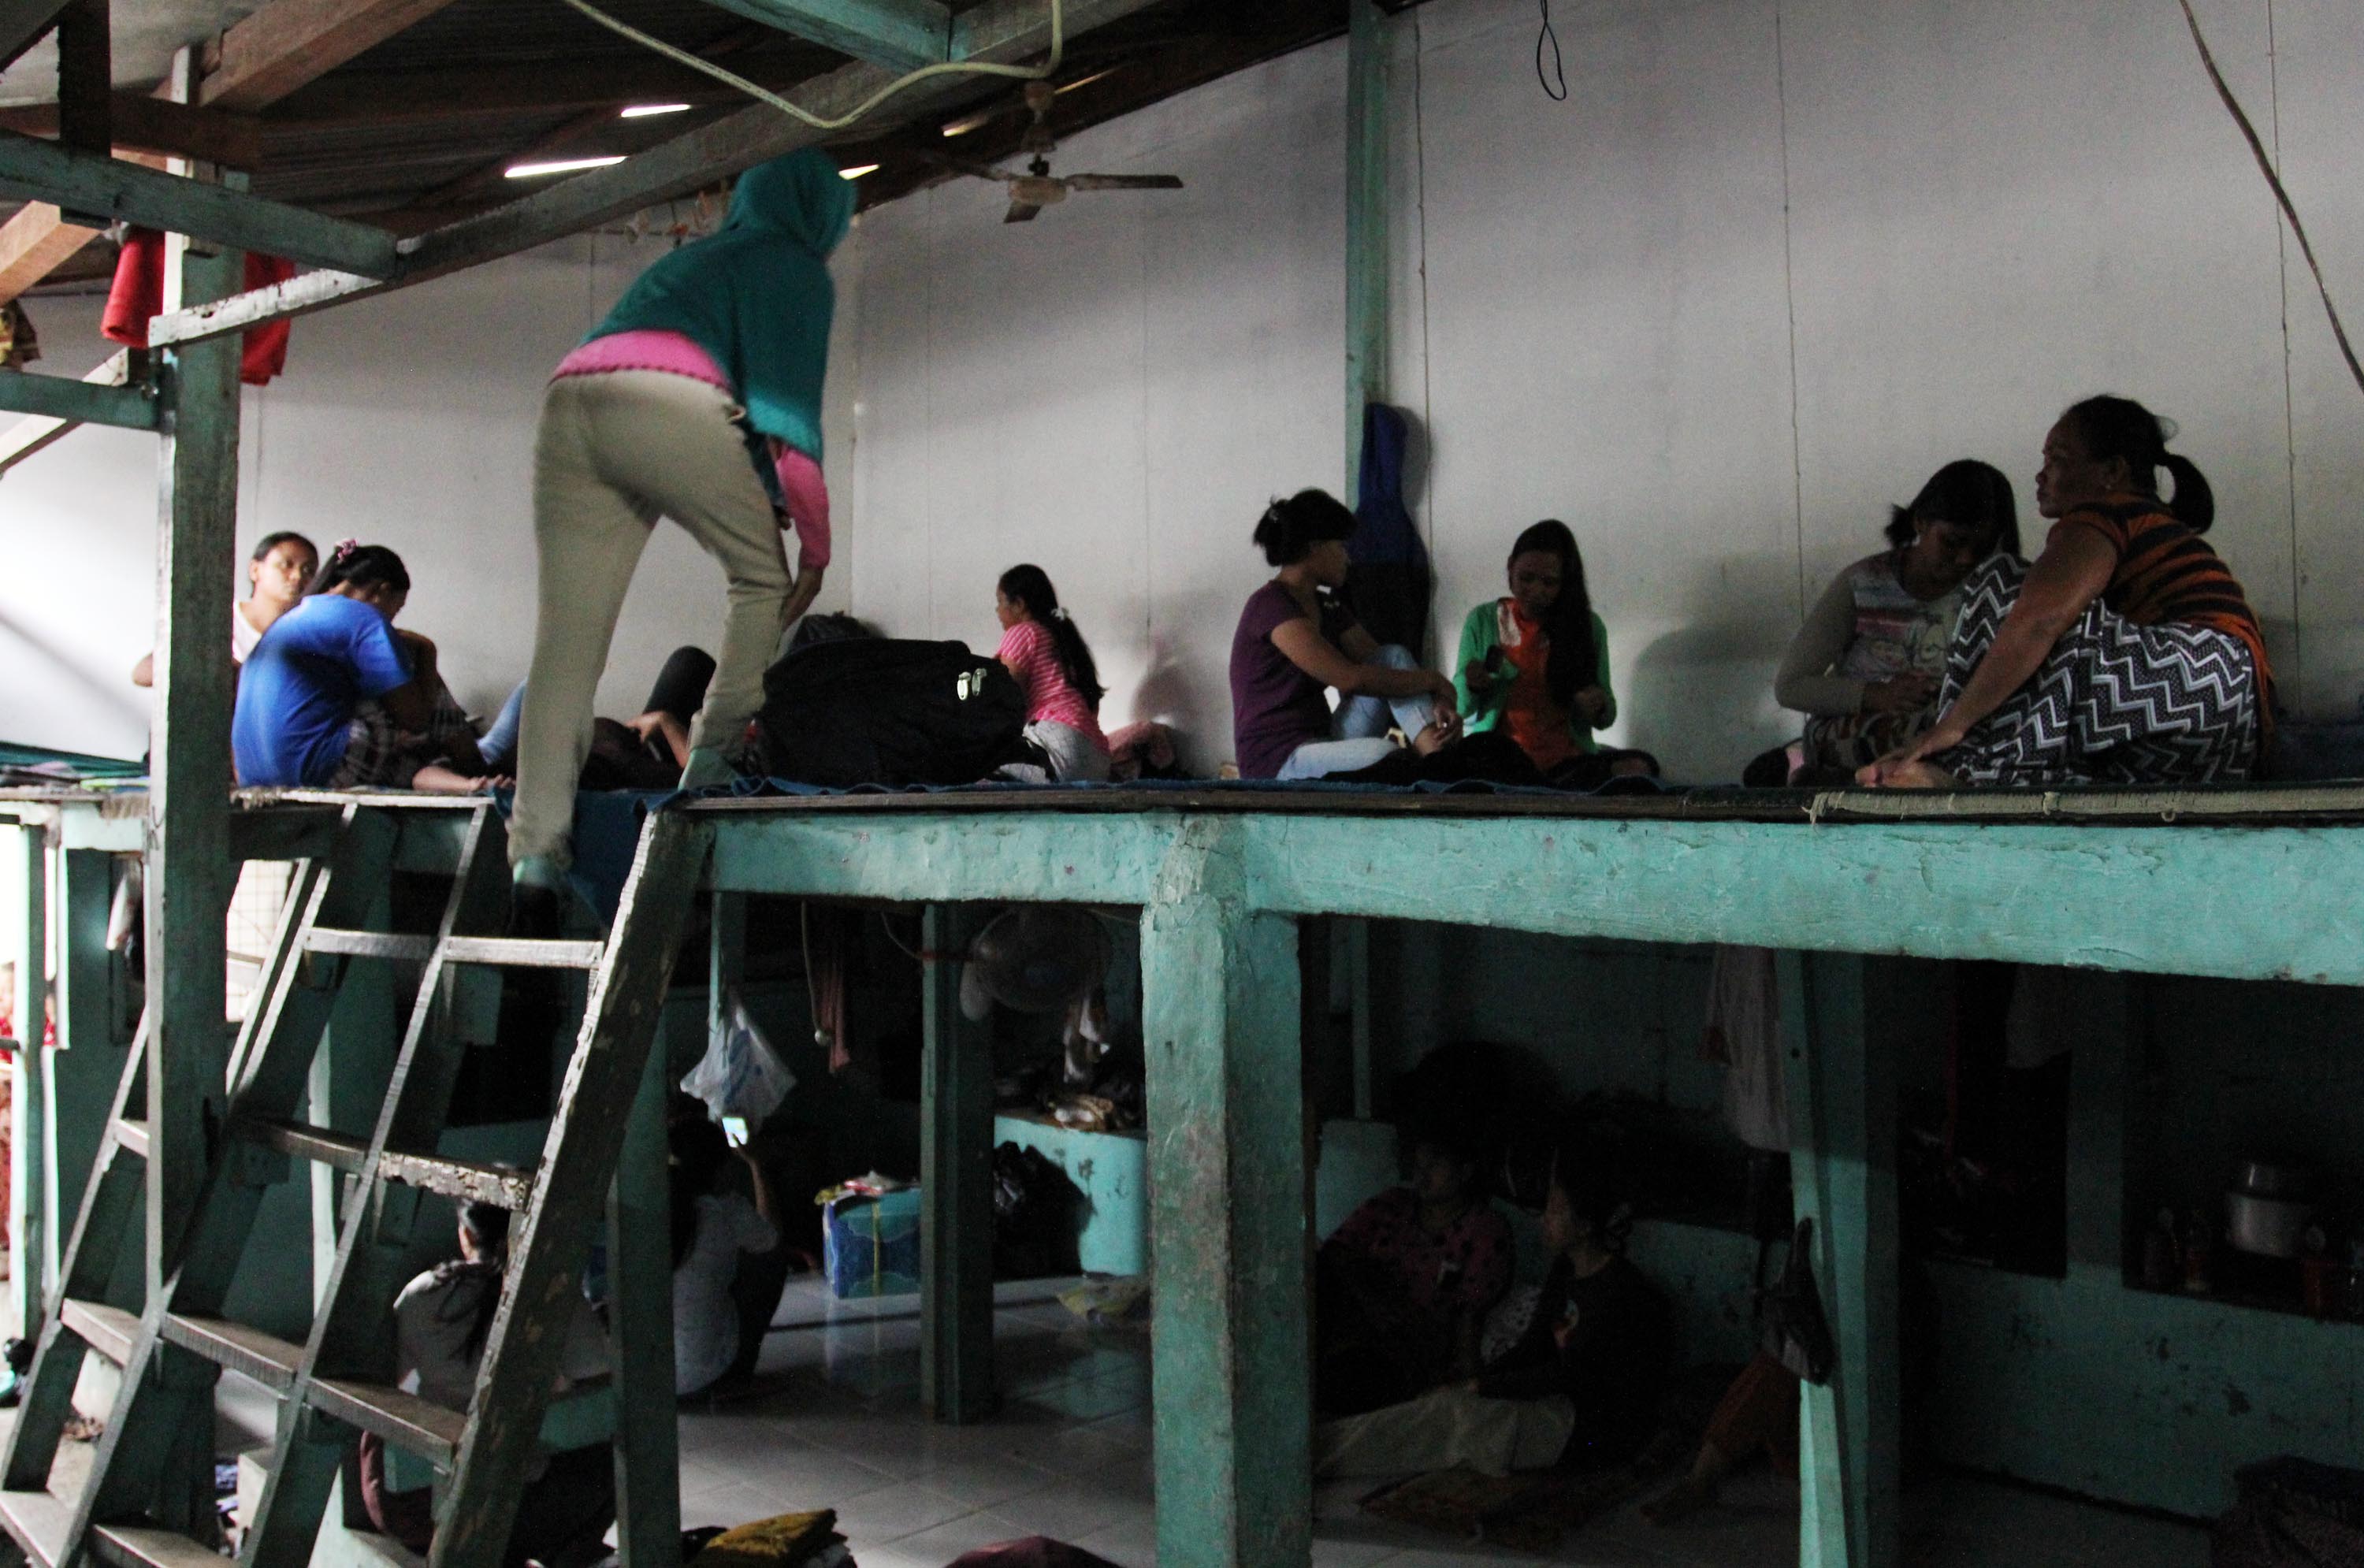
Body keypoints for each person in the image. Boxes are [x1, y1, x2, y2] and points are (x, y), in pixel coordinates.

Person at [511, 148, 850, 888]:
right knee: (761, 584)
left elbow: (742, 416)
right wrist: (815, 551)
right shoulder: (795, 267)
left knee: (567, 644)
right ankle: (711, 760)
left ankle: (536, 850)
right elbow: (787, 425)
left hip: (571, 402)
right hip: (668, 402)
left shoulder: (695, 260)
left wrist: (760, 492)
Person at [1862, 397, 2270, 788]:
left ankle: (1966, 766)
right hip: (2225, 732)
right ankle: (1985, 772)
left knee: (2006, 581)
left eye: (2056, 459)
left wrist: (1951, 727)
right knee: (2071, 759)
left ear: (2112, 471)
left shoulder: (2106, 513)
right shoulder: (2154, 522)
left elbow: (2041, 619)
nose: (2041, 475)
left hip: (2196, 674)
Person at [1313, 1135, 1669, 1479]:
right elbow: (1533, 1348)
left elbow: (1569, 1376)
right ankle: (1315, 1449)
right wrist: (1476, 1384)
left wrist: (1482, 1388)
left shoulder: (1620, 1292)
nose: (1543, 1219)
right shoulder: (1566, 1270)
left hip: (1587, 1428)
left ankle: (1316, 1458)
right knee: (1445, 1406)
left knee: (1460, 1421)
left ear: (1585, 1226)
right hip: (1556, 1402)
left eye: (1555, 1210)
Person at [360, 1202, 613, 1568]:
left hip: (421, 1511)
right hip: (525, 1511)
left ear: (466, 1235)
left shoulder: (421, 1294)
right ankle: (562, 1554)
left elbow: (391, 1385)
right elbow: (599, 1390)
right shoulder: (552, 1295)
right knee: (606, 1447)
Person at [1773, 461, 2020, 778]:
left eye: (1981, 549)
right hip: (1858, 730)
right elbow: (1791, 686)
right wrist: (1876, 695)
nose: (1965, 559)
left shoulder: (1995, 588)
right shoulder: (1863, 584)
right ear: (1920, 522)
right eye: (1952, 542)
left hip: (1949, 727)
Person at [230, 542, 503, 793]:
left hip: (254, 777)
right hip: (315, 772)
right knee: (420, 676)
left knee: (405, 743)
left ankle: (463, 774)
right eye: (396, 608)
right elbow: (416, 719)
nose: (393, 619)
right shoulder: (365, 619)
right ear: (381, 591)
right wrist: (428, 651)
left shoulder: (297, 615)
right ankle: (476, 768)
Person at [1229, 489, 1459, 780]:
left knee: (1392, 655)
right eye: (1341, 547)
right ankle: (1439, 769)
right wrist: (1436, 680)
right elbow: (1349, 678)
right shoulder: (1271, 605)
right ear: (1315, 548)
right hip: (1277, 761)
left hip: (1322, 740)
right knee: (1385, 755)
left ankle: (1439, 762)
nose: (1347, 558)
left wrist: (1441, 698)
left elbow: (1386, 669)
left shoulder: (1327, 605)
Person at [1316, 1129, 1514, 1416]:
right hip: (1354, 1320)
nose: (1422, 1175)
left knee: (1345, 1381)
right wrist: (1372, 1296)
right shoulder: (1392, 1204)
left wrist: (1468, 1385)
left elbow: (1467, 1315)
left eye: (1434, 1165)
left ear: (1465, 1171)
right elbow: (1336, 1252)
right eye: (1418, 1165)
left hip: (1408, 1349)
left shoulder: (1484, 1230)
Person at [1455, 520, 1616, 778]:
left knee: (1639, 765)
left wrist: (1597, 705)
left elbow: (1606, 718)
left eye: (1549, 583)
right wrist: (1471, 684)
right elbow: (1461, 708)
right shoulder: (1483, 620)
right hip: (1499, 757)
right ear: (1510, 567)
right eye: (1526, 578)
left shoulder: (1588, 627)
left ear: (1565, 583)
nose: (1536, 591)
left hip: (1568, 762)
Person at [478, 645, 716, 790]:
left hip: (637, 735)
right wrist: (665, 722)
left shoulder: (529, 755)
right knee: (690, 662)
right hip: (658, 749)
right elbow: (697, 777)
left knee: (689, 661)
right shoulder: (616, 766)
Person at [671, 1116, 780, 1397]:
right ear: (721, 1167)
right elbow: (771, 1238)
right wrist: (757, 1165)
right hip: (697, 1376)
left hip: (647, 1382)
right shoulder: (725, 1211)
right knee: (768, 1264)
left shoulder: (653, 1210)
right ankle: (739, 1374)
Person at [131, 530, 318, 686]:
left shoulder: (310, 632)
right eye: (286, 565)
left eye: (308, 570)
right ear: (255, 570)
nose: (297, 576)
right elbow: (143, 673)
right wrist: (221, 669)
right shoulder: (218, 620)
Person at [994, 565, 1113, 782]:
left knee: (974, 759)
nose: (997, 610)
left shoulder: (1023, 632)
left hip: (1059, 748)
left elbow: (1007, 699)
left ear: (1019, 604)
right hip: (1098, 760)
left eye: (1000, 601)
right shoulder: (1065, 638)